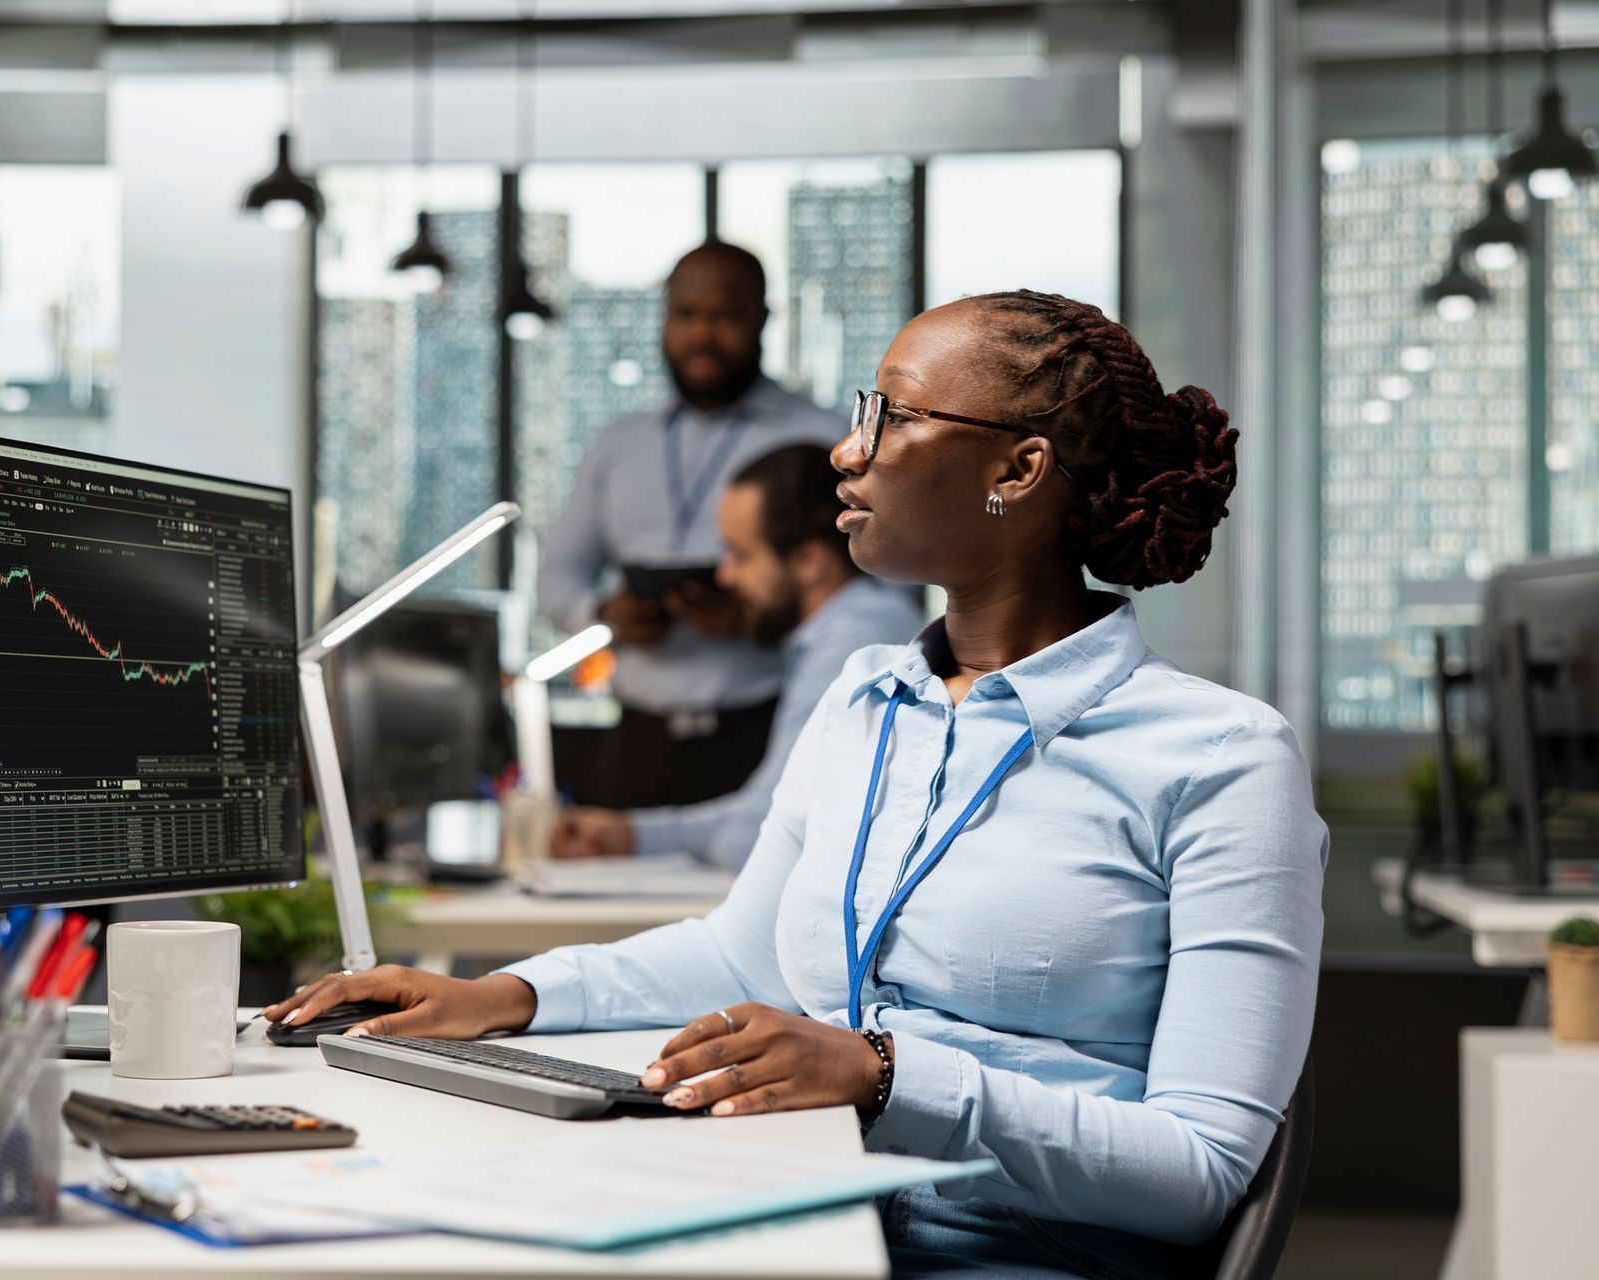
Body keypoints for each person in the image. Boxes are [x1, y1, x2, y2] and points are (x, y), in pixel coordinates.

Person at [268, 290, 1326, 1278]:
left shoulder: (1222, 758)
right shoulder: (870, 697)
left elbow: (1200, 1174)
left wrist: (886, 1073)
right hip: (806, 1203)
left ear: (1018, 470)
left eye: (892, 415)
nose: (845, 447)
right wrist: (504, 996)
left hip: (1011, 1251)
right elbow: (744, 951)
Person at [537, 241, 842, 811]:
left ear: (763, 320)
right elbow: (556, 575)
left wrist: (759, 620)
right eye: (685, 314)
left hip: (764, 736)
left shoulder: (820, 438)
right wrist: (604, 616)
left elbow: (868, 595)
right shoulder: (619, 444)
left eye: (725, 315)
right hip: (634, 743)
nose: (703, 334)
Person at [548, 444, 922, 870]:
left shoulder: (860, 639)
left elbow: (759, 835)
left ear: (807, 561)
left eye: (741, 555)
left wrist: (642, 838)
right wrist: (631, 835)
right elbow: (760, 815)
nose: (725, 576)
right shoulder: (840, 630)